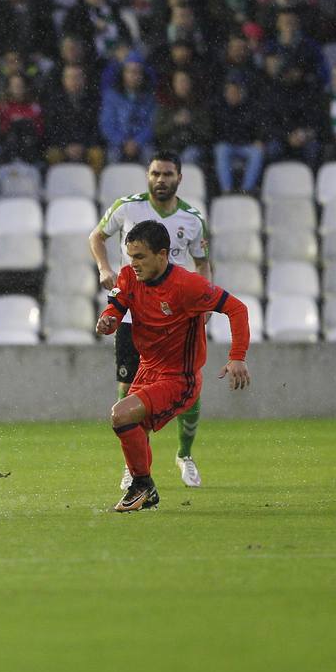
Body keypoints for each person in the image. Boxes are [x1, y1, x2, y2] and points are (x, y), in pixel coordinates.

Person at [97, 219, 250, 512]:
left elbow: (236, 308)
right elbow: (117, 306)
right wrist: (109, 319)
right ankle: (145, 489)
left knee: (120, 414)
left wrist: (237, 356)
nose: (134, 264)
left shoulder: (187, 285)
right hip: (147, 368)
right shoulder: (129, 276)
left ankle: (143, 484)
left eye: (140, 257)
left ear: (162, 254)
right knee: (130, 426)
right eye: (131, 257)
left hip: (179, 377)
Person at [90, 152, 211, 491]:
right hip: (134, 313)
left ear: (179, 178)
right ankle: (134, 467)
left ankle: (185, 454)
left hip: (179, 317)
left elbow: (202, 264)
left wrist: (202, 307)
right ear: (147, 176)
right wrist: (104, 269)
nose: (161, 179)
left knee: (188, 380)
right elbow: (96, 236)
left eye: (167, 174)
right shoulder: (127, 207)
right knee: (129, 388)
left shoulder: (192, 219)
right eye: (155, 173)